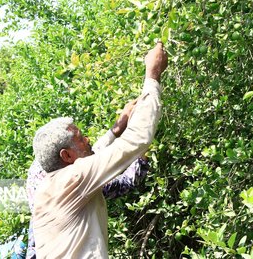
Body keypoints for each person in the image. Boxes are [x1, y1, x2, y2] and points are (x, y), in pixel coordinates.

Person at [31, 42, 168, 258]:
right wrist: (152, 75)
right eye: (79, 138)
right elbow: (136, 139)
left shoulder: (50, 183)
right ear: (66, 156)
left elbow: (95, 154)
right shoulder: (74, 178)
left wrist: (118, 128)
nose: (87, 139)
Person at [25, 157, 150, 259]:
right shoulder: (73, 185)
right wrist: (142, 154)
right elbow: (124, 183)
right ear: (65, 155)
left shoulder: (40, 168)